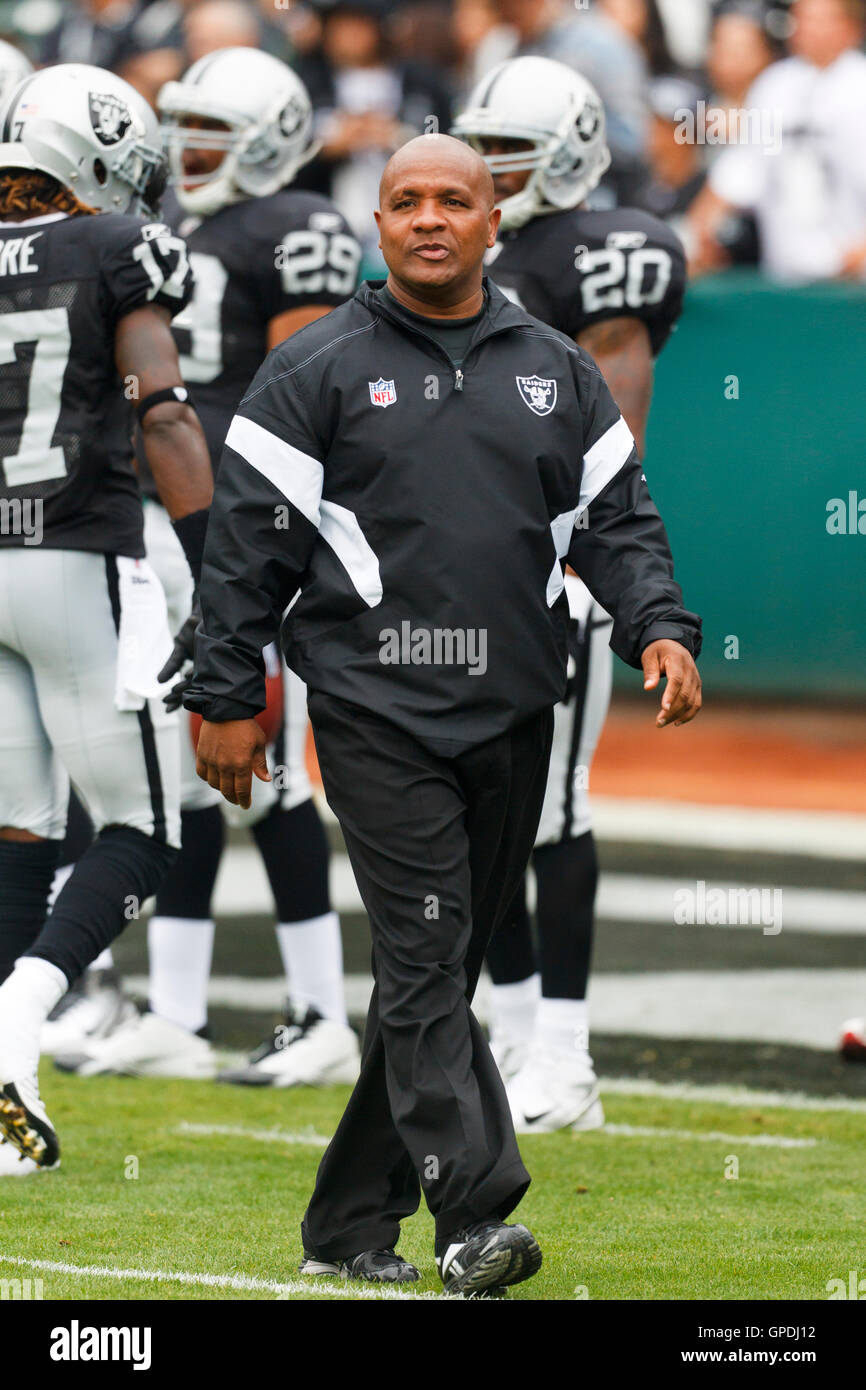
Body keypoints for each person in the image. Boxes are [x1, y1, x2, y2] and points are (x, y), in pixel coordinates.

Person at [184, 133, 702, 1292]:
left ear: (490, 223)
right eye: (405, 200)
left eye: (451, 200)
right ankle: (473, 1214)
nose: (428, 217)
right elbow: (246, 550)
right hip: (374, 713)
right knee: (423, 959)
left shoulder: (555, 367)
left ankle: (345, 1225)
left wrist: (657, 624)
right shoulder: (312, 367)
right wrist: (225, 691)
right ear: (376, 227)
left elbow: (617, 520)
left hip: (513, 710)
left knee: (436, 975)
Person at [50, 48, 363, 1089]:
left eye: (213, 134)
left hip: (251, 525)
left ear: (271, 140)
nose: (189, 152)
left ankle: (321, 1012)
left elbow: (312, 382)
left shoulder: (297, 225)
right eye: (182, 130)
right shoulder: (162, 230)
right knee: (185, 770)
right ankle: (178, 1013)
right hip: (166, 526)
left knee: (268, 770)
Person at [453, 55, 688, 1132]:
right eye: (480, 151)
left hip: (553, 560)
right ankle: (512, 1038)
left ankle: (566, 1055)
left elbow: (614, 437)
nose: (490, 175)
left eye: (511, 155)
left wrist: (579, 555)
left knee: (551, 811)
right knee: (479, 813)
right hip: (461, 562)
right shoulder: (465, 249)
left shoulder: (607, 252)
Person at [0, 63, 212, 1175]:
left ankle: (6, 1089)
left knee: (21, 829)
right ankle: (18, 1018)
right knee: (146, 829)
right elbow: (164, 416)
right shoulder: (112, 248)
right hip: (73, 550)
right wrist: (225, 573)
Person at [688, 0, 866, 281]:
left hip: (855, 281)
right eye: (803, 18)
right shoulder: (775, 84)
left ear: (853, 27)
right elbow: (740, 171)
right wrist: (697, 233)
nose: (809, 28)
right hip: (785, 274)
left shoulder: (860, 85)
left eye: (822, 19)